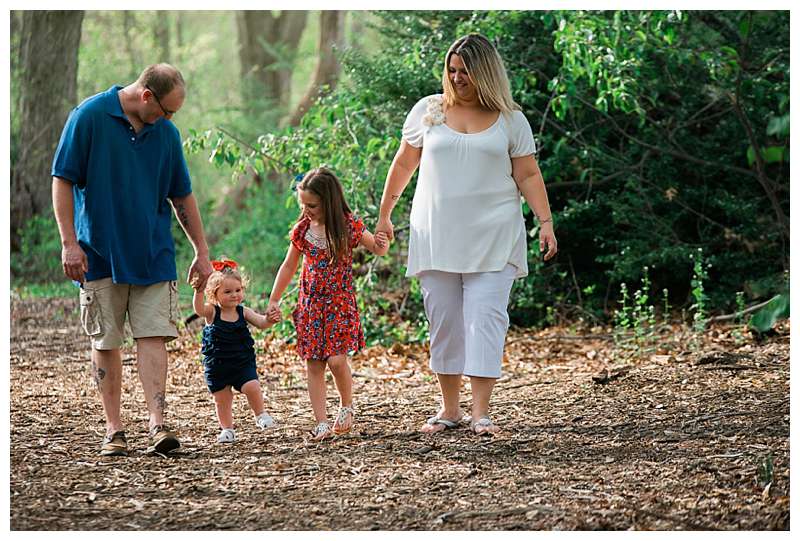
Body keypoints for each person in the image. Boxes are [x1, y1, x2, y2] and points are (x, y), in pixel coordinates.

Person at [376, 34, 558, 435]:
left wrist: (545, 222)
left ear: (486, 73)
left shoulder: (511, 120)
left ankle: (481, 412)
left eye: (466, 71)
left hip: (494, 235)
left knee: (486, 320)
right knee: (444, 322)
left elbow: (527, 174)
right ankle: (449, 409)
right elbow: (404, 164)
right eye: (452, 70)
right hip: (436, 234)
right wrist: (385, 214)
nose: (457, 78)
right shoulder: (430, 111)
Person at [51, 63, 213, 456]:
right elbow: (62, 179)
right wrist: (69, 243)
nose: (170, 118)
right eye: (168, 110)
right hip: (98, 253)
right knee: (106, 339)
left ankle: (158, 424)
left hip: (153, 253)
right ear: (146, 96)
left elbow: (182, 196)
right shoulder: (88, 117)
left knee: (153, 335)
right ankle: (114, 429)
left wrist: (201, 251)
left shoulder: (166, 134)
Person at [268, 168, 389, 440]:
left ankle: (347, 405)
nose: (306, 210)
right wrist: (274, 298)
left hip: (339, 304)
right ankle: (321, 421)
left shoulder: (347, 225)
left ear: (328, 201)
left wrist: (383, 238)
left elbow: (378, 248)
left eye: (311, 205)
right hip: (311, 305)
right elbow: (289, 266)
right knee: (314, 364)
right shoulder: (303, 230)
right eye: (303, 204)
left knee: (336, 361)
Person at [192, 258, 279, 443]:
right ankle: (227, 429)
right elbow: (198, 309)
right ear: (214, 295)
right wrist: (198, 290)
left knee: (252, 386)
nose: (234, 295)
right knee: (222, 399)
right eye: (228, 292)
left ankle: (260, 414)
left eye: (238, 290)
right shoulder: (212, 312)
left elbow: (262, 323)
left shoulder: (243, 311)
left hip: (241, 362)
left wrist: (270, 319)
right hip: (218, 365)